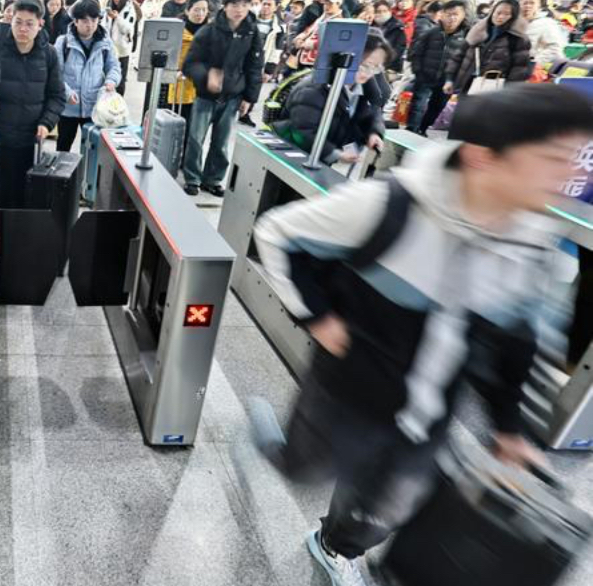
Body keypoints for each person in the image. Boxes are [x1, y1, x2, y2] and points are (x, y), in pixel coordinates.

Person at [249, 83, 593, 586]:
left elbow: (515, 342)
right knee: (307, 466)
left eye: (576, 157)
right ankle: (282, 450)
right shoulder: (386, 207)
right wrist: (317, 315)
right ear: (483, 158)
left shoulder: (532, 243)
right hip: (349, 390)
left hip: (430, 411)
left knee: (385, 504)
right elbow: (278, 233)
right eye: (553, 157)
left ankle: (334, 545)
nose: (573, 173)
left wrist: (508, 428)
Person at [0, 0, 67, 209]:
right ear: (11, 20)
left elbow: (57, 96)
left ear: (40, 24)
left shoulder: (49, 55)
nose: (23, 29)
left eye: (29, 23)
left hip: (30, 141)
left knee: (22, 197)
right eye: (18, 22)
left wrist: (46, 123)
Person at [181, 0, 263, 197]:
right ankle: (192, 178)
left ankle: (214, 179)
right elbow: (190, 63)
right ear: (225, 6)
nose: (240, 9)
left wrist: (249, 97)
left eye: (245, 5)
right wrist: (207, 76)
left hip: (233, 96)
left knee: (222, 141)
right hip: (205, 96)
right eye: (235, 4)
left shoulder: (252, 33)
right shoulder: (209, 31)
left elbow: (255, 67)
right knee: (196, 139)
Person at [272, 33, 392, 164]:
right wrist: (334, 153)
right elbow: (302, 132)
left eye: (376, 68)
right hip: (290, 156)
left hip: (320, 159)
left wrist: (374, 133)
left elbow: (373, 113)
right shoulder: (313, 89)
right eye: (365, 65)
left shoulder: (365, 89)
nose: (368, 73)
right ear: (348, 59)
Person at [53, 0, 121, 153]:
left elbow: (114, 66)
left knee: (92, 150)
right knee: (63, 147)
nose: (89, 24)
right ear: (75, 21)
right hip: (68, 107)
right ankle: (63, 177)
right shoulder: (63, 43)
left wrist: (111, 81)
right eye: (84, 20)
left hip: (95, 107)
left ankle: (88, 177)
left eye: (93, 19)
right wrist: (68, 92)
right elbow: (55, 74)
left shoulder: (106, 43)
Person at [444, 0, 532, 98]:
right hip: (466, 84)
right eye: (498, 12)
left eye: (507, 14)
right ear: (492, 12)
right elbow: (459, 55)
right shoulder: (478, 30)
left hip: (492, 91)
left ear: (514, 16)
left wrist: (508, 94)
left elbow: (518, 71)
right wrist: (449, 79)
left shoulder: (518, 39)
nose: (500, 17)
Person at [407, 0, 468, 135]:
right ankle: (411, 130)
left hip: (447, 81)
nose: (452, 18)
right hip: (426, 75)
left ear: (463, 15)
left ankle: (422, 128)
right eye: (448, 14)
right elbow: (416, 52)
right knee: (418, 104)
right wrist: (418, 71)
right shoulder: (432, 32)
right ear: (442, 15)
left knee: (437, 106)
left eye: (456, 14)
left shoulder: (466, 37)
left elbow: (466, 60)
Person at [166, 0, 210, 121]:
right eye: (196, 9)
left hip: (202, 87)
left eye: (204, 10)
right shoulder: (177, 31)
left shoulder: (211, 32)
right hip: (179, 85)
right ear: (187, 10)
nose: (200, 13)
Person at [104, 0, 138, 97]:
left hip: (122, 50)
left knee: (121, 79)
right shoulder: (110, 7)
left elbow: (128, 29)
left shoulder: (130, 10)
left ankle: (118, 102)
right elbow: (105, 27)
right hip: (109, 48)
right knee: (108, 76)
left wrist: (117, 18)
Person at [520, 0, 567, 67]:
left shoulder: (547, 23)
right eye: (525, 3)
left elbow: (555, 48)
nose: (527, 6)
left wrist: (534, 64)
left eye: (532, 3)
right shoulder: (517, 24)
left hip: (543, 68)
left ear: (539, 7)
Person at [372, 0, 407, 74]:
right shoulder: (371, 25)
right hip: (372, 65)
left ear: (389, 11)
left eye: (384, 11)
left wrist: (386, 65)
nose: (382, 14)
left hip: (390, 67)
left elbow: (399, 49)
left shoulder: (397, 27)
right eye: (378, 11)